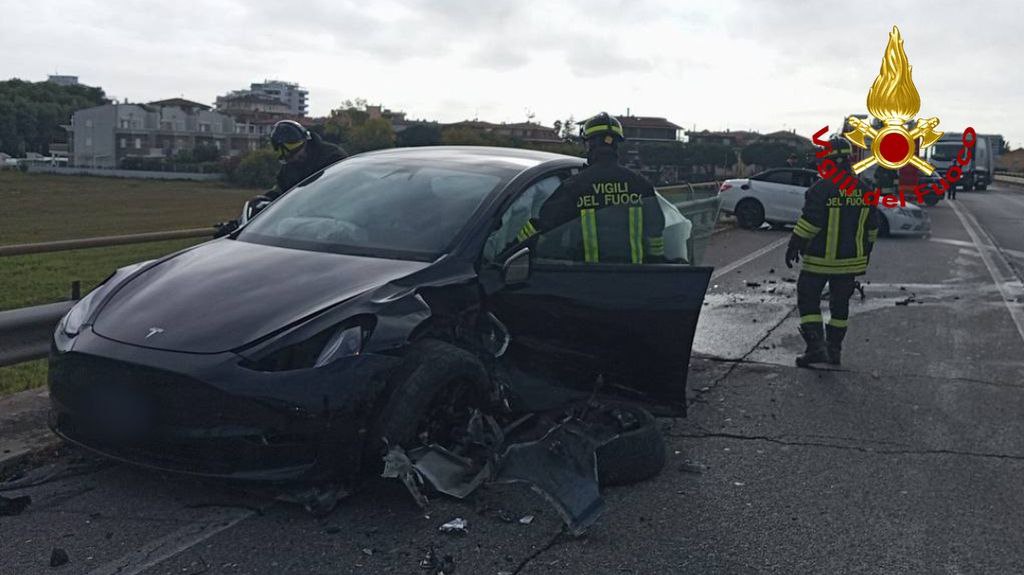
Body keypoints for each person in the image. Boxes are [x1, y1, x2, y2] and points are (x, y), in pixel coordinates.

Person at [515, 112, 665, 264]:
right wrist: (656, 265)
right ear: (617, 144)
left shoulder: (574, 185)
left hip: (587, 275)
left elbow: (544, 224)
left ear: (589, 144)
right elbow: (656, 231)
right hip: (634, 275)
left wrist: (511, 250)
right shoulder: (640, 184)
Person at [786, 136, 880, 367]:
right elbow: (872, 228)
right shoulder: (864, 190)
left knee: (808, 298)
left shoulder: (821, 189)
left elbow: (811, 222)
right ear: (849, 160)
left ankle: (816, 348)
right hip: (851, 262)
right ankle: (834, 350)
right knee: (840, 306)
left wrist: (794, 244)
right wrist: (865, 253)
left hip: (820, 259)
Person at [268, 120, 347, 200]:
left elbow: (344, 184)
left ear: (306, 142)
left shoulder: (332, 156)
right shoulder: (287, 169)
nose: (295, 158)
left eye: (296, 152)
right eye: (289, 157)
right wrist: (266, 198)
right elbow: (280, 189)